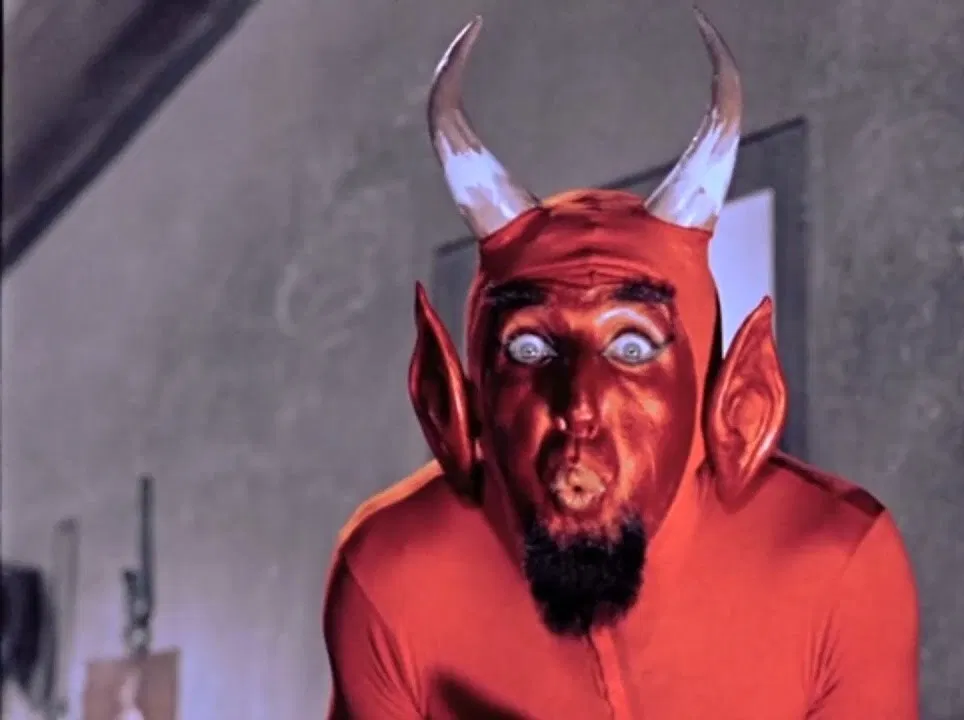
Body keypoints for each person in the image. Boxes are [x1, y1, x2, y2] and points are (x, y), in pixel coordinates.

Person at [323, 11, 919, 719]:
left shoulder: (837, 564)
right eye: (530, 348)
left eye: (632, 348)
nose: (579, 405)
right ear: (455, 399)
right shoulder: (392, 576)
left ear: (738, 399)